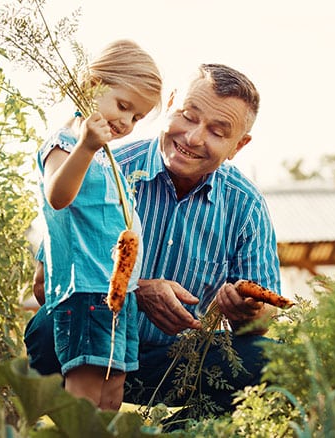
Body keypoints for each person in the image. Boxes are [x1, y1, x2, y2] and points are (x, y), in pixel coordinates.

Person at [26, 63, 280, 413]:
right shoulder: (103, 168)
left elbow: (263, 320)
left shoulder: (246, 205)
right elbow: (43, 287)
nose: (193, 138)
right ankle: (76, 422)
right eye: (188, 116)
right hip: (95, 344)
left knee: (270, 359)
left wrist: (247, 309)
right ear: (172, 103)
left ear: (238, 145)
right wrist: (135, 290)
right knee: (46, 326)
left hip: (177, 366)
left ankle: (179, 434)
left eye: (218, 132)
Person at [31, 39, 162, 410]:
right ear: (92, 85)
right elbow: (58, 197)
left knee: (112, 389)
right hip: (87, 288)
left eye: (137, 117)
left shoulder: (108, 158)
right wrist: (86, 146)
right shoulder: (67, 143)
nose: (127, 122)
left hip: (119, 292)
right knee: (86, 388)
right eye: (123, 106)